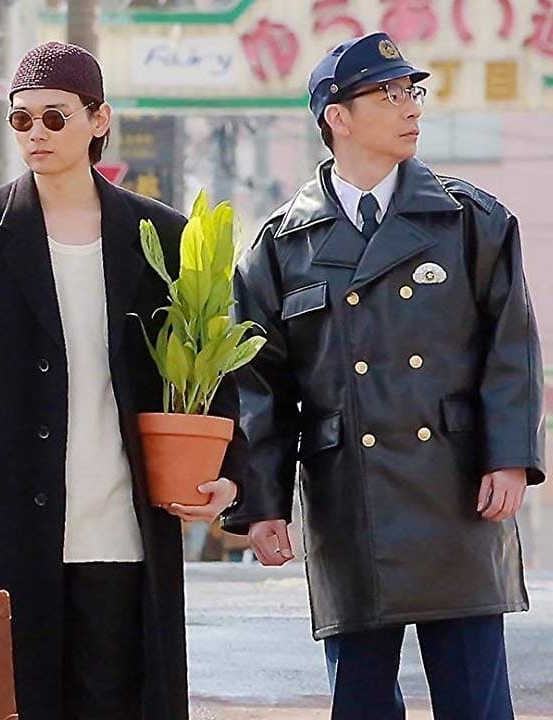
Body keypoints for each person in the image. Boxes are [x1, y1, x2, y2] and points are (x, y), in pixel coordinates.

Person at [0, 42, 243, 720]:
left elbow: (210, 362)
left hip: (124, 520)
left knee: (117, 700)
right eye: (21, 119)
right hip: (7, 517)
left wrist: (229, 474)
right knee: (17, 700)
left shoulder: (161, 234)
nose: (36, 133)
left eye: (55, 117)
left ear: (99, 120)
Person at [225, 32, 544, 720]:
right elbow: (260, 386)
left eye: (412, 91)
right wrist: (262, 502)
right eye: (389, 94)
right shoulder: (279, 245)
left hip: (458, 492)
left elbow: (512, 347)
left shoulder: (472, 221)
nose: (411, 106)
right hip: (350, 500)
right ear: (337, 117)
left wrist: (511, 457)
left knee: (476, 702)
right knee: (360, 703)